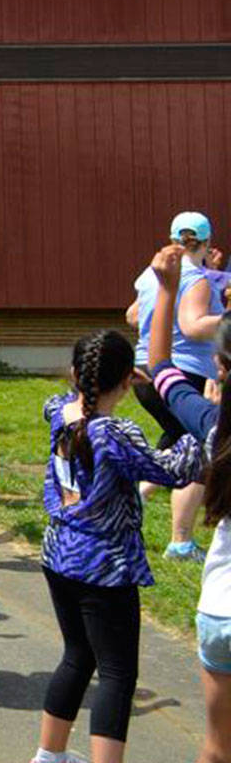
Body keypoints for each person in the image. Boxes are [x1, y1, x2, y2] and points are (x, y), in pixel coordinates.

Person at [27, 327, 201, 763]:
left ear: (74, 374)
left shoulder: (58, 412)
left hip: (59, 552)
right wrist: (188, 421)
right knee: (119, 674)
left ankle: (50, 757)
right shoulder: (115, 433)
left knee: (77, 655)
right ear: (128, 380)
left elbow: (66, 398)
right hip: (103, 564)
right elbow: (175, 469)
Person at [137, 244, 231, 763]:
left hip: (220, 611)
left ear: (220, 366)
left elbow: (160, 368)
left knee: (219, 750)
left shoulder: (216, 427)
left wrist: (168, 291)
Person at [131, 212, 225, 563]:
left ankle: (137, 493)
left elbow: (133, 316)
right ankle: (181, 541)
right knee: (202, 452)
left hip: (147, 369)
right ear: (205, 241)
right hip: (182, 374)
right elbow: (192, 326)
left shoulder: (150, 274)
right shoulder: (196, 278)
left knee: (177, 441)